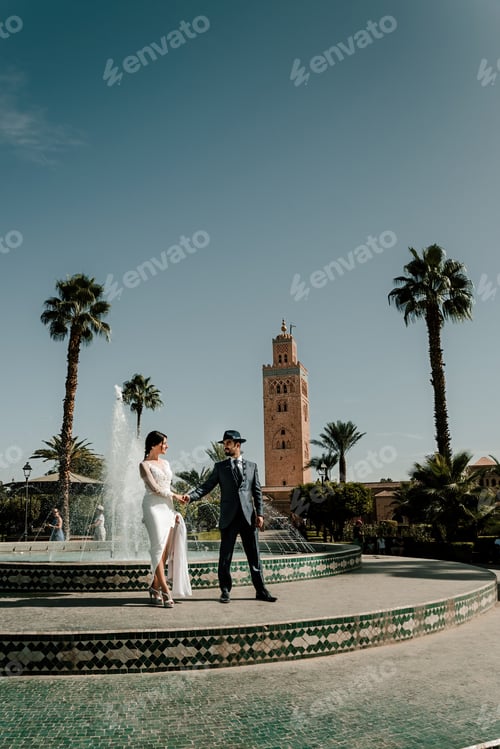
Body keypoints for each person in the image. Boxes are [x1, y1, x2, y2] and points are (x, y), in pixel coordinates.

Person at [185, 429, 277, 604]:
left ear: (237, 445)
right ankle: (225, 591)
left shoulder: (252, 466)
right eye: (224, 443)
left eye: (228, 443)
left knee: (254, 556)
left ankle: (261, 590)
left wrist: (261, 514)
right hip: (228, 518)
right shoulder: (220, 467)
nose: (225, 446)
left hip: (248, 518)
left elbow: (257, 492)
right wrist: (190, 496)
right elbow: (206, 487)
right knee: (225, 557)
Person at [139, 430, 191, 608]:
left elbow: (167, 486)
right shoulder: (144, 465)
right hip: (152, 507)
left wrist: (175, 507)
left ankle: (154, 587)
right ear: (154, 444)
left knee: (166, 552)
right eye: (164, 443)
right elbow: (154, 488)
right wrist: (176, 496)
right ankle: (165, 591)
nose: (167, 446)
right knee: (157, 549)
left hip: (168, 508)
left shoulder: (166, 463)